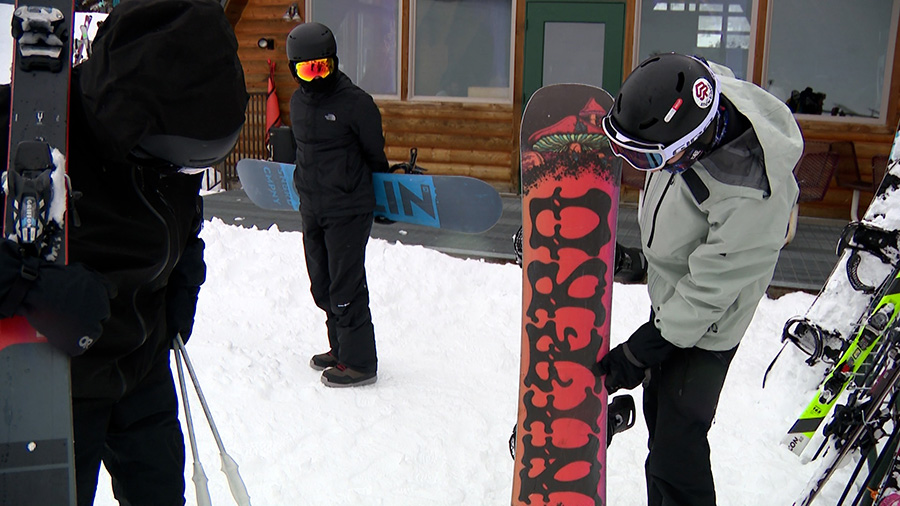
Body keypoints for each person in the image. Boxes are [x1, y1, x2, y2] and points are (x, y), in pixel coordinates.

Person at [0, 1, 248, 504]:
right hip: (61, 383)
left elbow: (179, 213)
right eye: (179, 159)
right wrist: (28, 284)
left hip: (143, 359)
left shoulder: (177, 131)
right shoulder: (20, 126)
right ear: (134, 126)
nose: (185, 172)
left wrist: (185, 271)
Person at [595, 53, 801, 506]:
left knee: (676, 447)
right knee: (659, 425)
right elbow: (687, 227)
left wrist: (640, 350)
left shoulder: (750, 194)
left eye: (645, 157)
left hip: (710, 325)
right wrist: (640, 262)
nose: (637, 166)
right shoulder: (697, 101)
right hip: (684, 297)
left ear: (690, 145)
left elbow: (709, 290)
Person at [286, 22, 388, 387]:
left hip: (348, 206)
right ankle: (341, 348)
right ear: (294, 70)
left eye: (322, 68)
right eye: (306, 69)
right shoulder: (297, 102)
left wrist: (382, 198)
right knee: (323, 285)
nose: (315, 77)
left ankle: (360, 362)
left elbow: (374, 154)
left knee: (346, 287)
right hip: (312, 205)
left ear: (334, 62)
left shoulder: (355, 103)